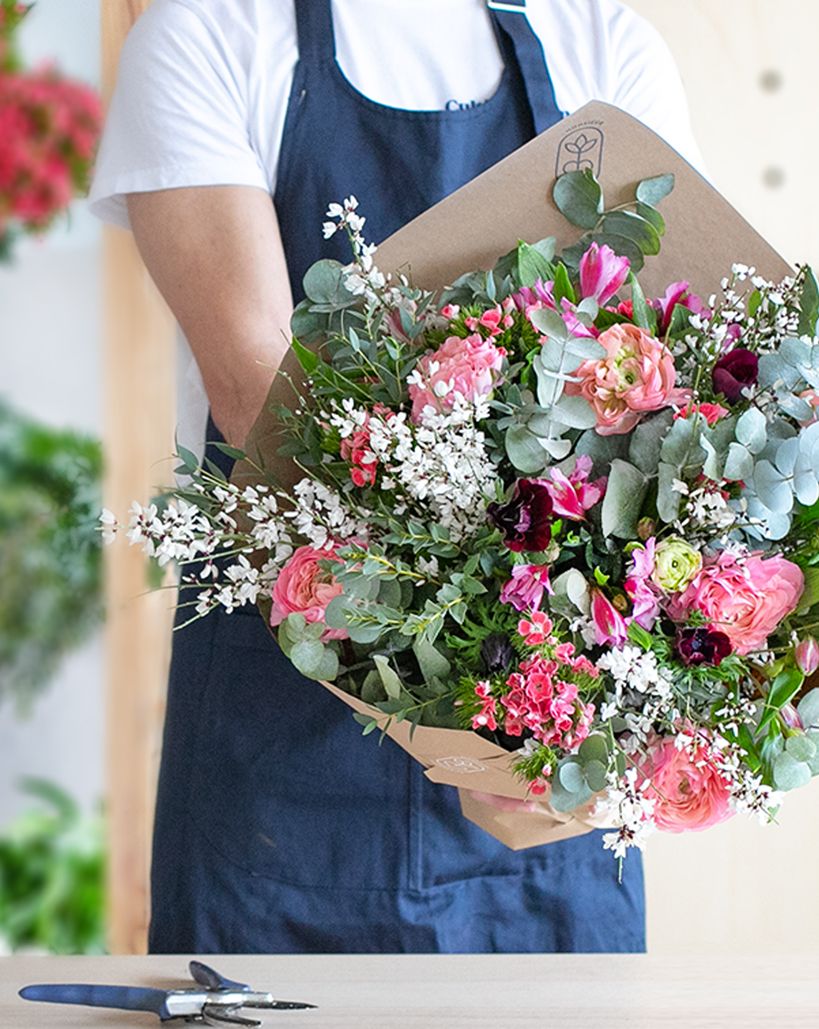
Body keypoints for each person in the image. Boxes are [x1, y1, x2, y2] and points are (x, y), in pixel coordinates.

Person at [89, 0, 708, 953]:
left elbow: (667, 407)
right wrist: (479, 727)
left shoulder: (601, 41)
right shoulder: (209, 32)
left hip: (543, 767)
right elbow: (271, 408)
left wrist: (577, 754)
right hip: (281, 774)